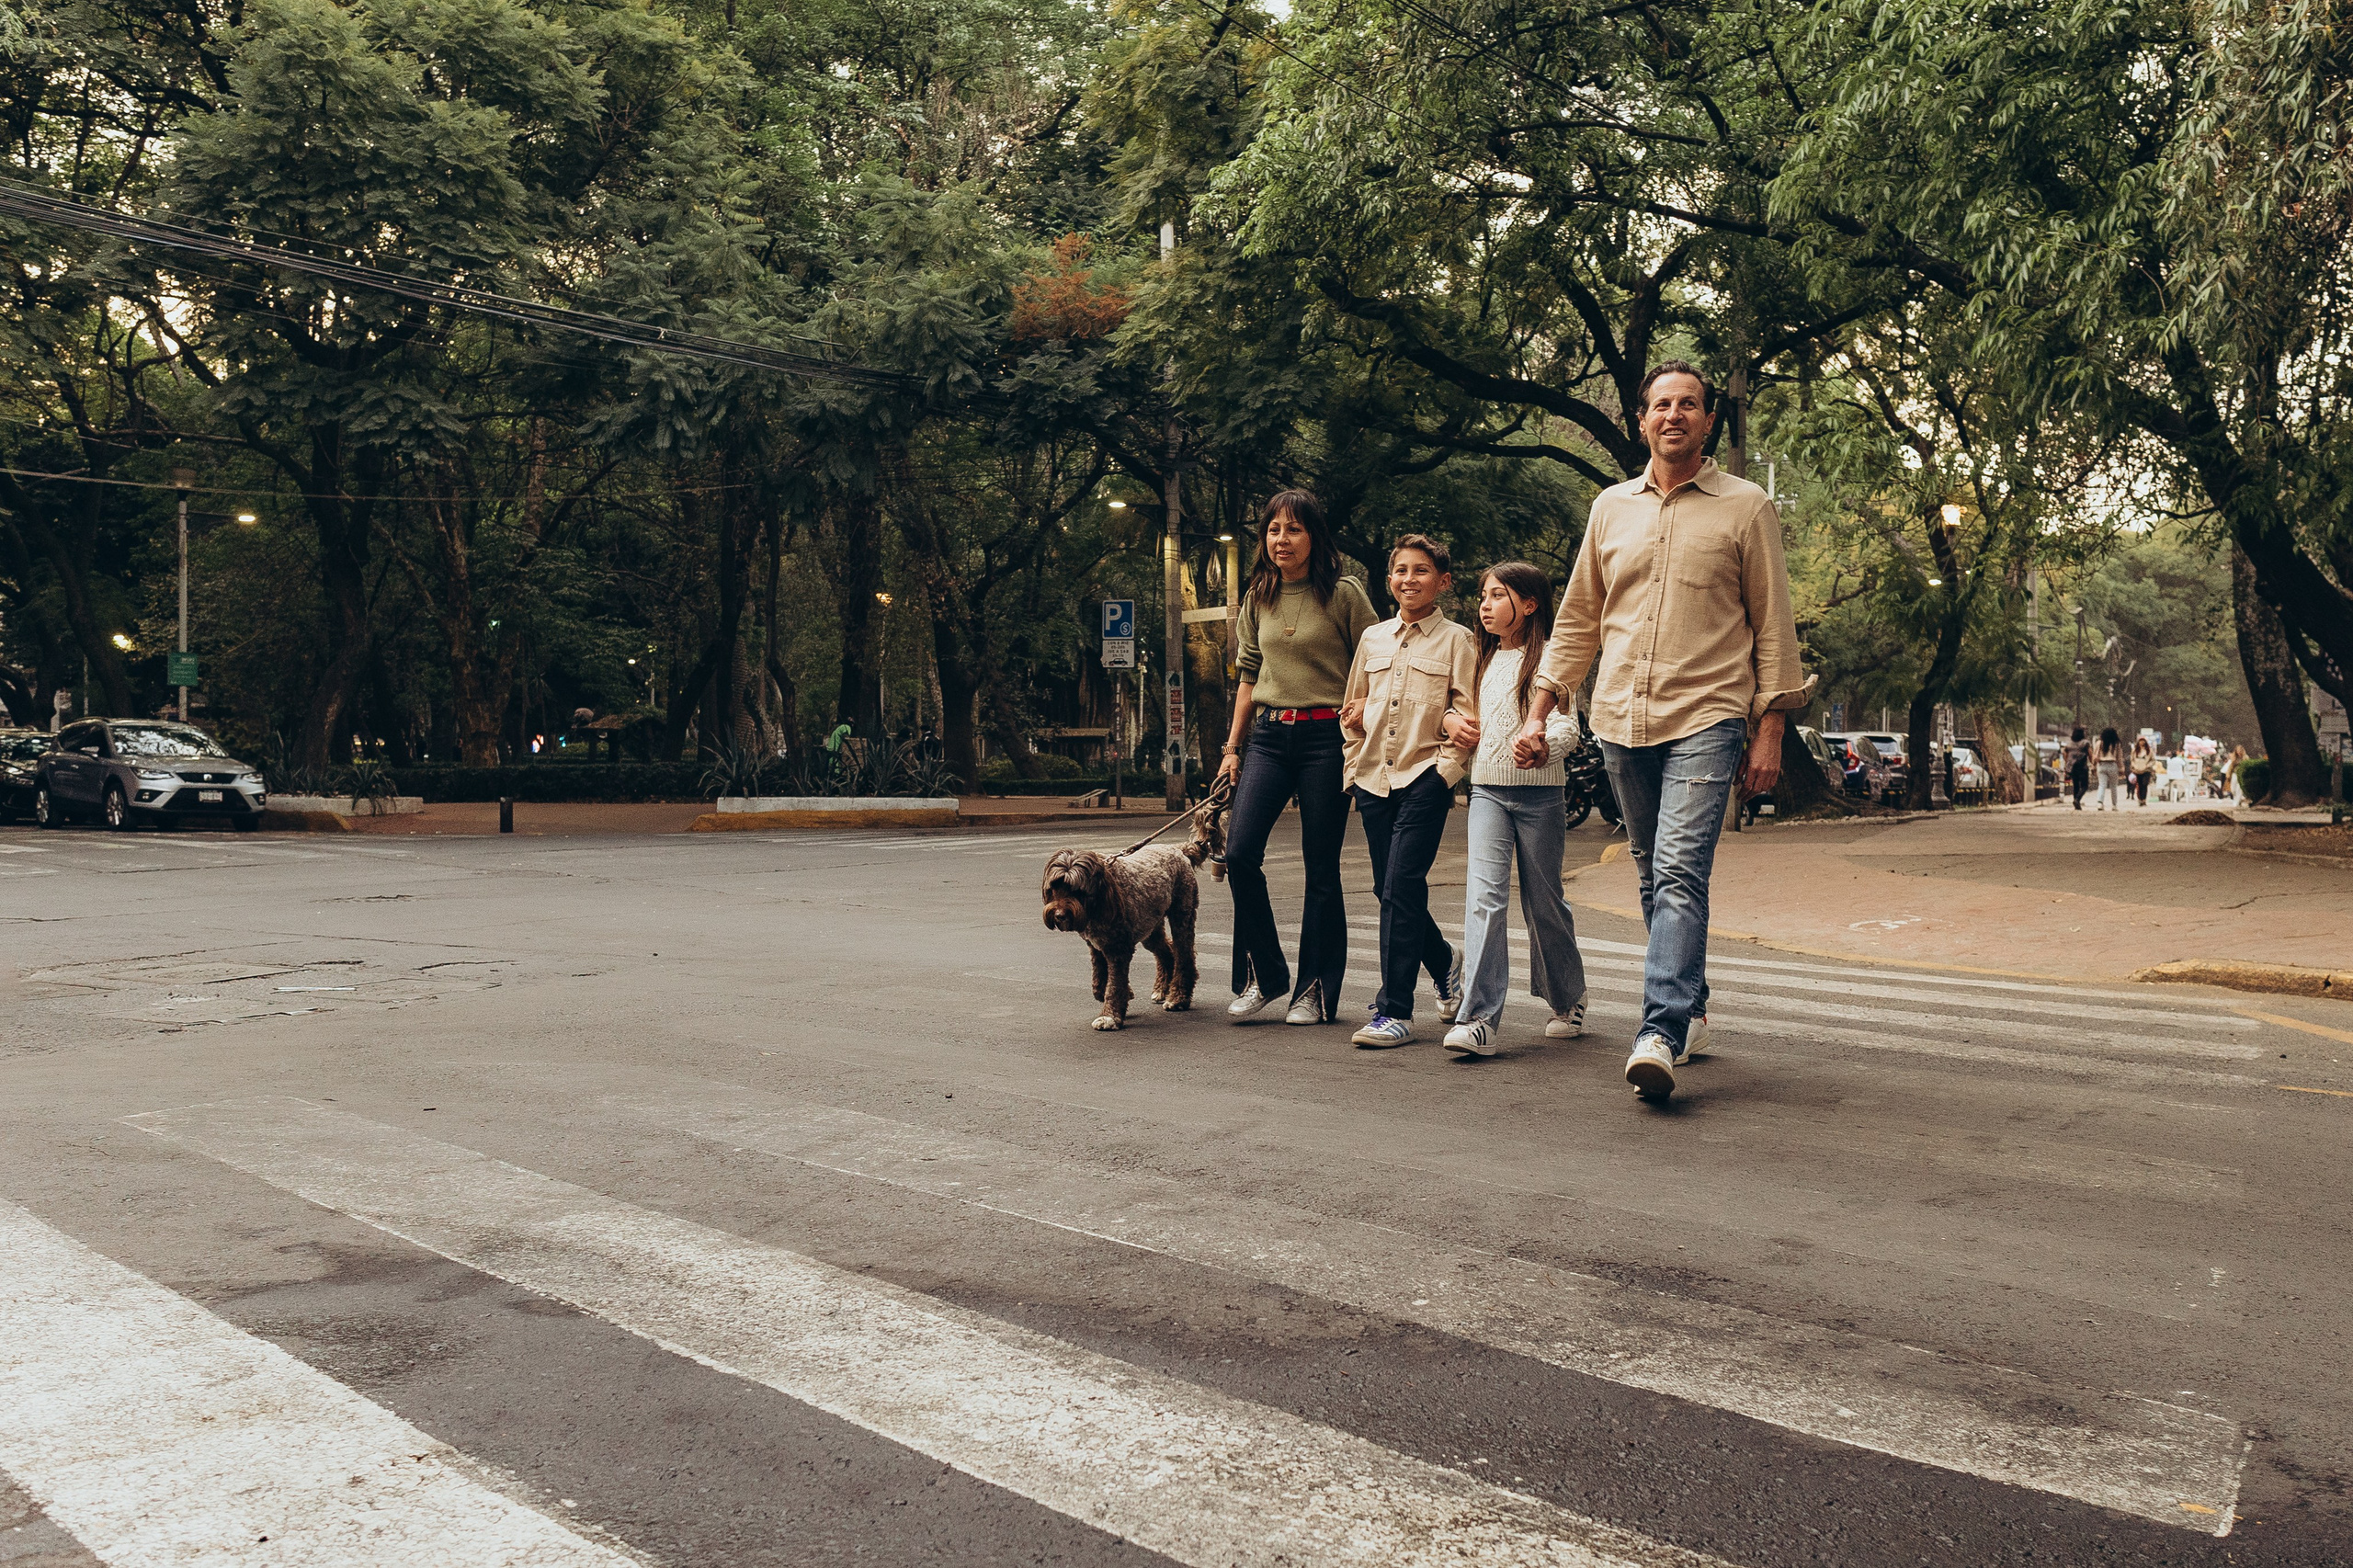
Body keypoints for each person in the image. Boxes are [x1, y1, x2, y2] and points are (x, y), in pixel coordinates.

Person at [1513, 361, 1812, 1100]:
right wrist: (1539, 707)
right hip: (1620, 712)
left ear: (1709, 421)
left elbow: (1773, 625)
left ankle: (1660, 1030)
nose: (1674, 415)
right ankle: (1693, 1004)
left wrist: (1769, 727)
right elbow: (1580, 616)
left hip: (1709, 713)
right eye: (1661, 405)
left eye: (1689, 405)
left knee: (1679, 871)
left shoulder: (1746, 508)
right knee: (1651, 871)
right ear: (1642, 419)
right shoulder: (1610, 508)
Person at [1215, 490, 1381, 1026]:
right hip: (1268, 735)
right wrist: (1232, 749)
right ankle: (1265, 975)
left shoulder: (1345, 594)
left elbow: (1379, 661)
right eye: (1272, 531)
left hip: (1325, 742)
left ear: (1315, 536)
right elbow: (1247, 676)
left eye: (1293, 530)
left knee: (1320, 870)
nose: (1281, 541)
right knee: (1239, 854)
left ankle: (1314, 989)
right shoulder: (1257, 596)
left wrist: (1363, 722)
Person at [1440, 562, 1588, 1058]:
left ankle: (1567, 996)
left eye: (1497, 596)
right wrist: (1450, 721)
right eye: (1482, 595)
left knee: (1543, 902)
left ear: (1529, 604)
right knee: (1485, 899)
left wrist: (1545, 743)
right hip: (1486, 792)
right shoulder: (1477, 660)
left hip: (1541, 796)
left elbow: (1570, 725)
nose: (1485, 605)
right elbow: (1449, 706)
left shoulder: (1550, 660)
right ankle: (1479, 1018)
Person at [1339, 534, 1479, 1049]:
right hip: (1374, 778)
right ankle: (1444, 962)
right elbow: (1353, 707)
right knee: (1389, 890)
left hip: (1423, 777)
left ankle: (1394, 1010)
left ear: (1442, 582)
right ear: (1389, 578)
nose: (1408, 579)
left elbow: (1468, 713)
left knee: (1400, 886)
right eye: (1400, 570)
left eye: (1421, 571)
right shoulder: (1373, 638)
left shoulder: (1457, 640)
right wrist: (1354, 764)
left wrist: (1445, 771)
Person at [2092, 726, 2123, 810]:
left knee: (2102, 785)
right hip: (2112, 765)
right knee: (2114, 786)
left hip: (2101, 765)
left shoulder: (2099, 743)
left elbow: (2095, 755)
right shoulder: (2116, 744)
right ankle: (2114, 805)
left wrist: (2093, 766)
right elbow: (2119, 757)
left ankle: (2100, 803)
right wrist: (2121, 768)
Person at [2063, 726, 2091, 810]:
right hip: (2082, 766)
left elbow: (2065, 754)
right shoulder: (2085, 743)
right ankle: (2077, 799)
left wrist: (2067, 763)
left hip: (2072, 767)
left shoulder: (2069, 744)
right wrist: (2093, 764)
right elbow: (2090, 754)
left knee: (2075, 785)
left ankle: (2076, 802)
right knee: (2085, 786)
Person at [2130, 734, 2155, 805]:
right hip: (2137, 770)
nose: (2142, 742)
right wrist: (2134, 766)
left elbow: (2153, 760)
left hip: (2146, 770)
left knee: (2145, 784)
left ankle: (2144, 799)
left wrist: (2147, 765)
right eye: (2140, 741)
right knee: (2140, 785)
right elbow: (2132, 760)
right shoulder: (2135, 750)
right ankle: (2140, 799)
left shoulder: (2149, 750)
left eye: (2143, 741)